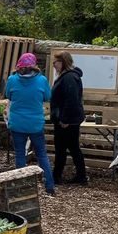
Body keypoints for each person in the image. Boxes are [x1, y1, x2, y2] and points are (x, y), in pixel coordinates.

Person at [4, 52, 55, 195]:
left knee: (20, 155)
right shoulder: (42, 80)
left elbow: (9, 95)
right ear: (34, 66)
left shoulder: (12, 80)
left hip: (17, 123)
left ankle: (21, 187)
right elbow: (47, 97)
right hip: (35, 123)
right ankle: (49, 186)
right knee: (42, 155)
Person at [51, 50, 87, 185]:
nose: (54, 65)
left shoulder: (68, 78)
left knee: (63, 149)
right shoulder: (68, 76)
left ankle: (57, 176)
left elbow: (71, 100)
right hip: (68, 119)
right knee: (72, 148)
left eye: (55, 62)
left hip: (67, 121)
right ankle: (79, 176)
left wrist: (64, 120)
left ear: (63, 62)